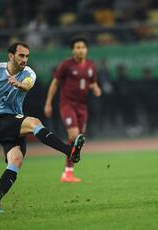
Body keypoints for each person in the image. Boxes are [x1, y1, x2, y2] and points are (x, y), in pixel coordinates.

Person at [0, 42, 85, 213]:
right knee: (34, 122)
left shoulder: (29, 73)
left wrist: (20, 85)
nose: (24, 59)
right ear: (11, 56)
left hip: (13, 123)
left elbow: (28, 84)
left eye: (27, 56)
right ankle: (69, 151)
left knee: (16, 160)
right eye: (21, 55)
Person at [44, 37, 101, 183]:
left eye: (83, 47)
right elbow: (55, 83)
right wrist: (48, 103)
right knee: (75, 136)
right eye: (77, 47)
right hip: (67, 104)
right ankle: (67, 173)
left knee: (78, 140)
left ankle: (68, 172)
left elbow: (92, 83)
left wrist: (96, 88)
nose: (80, 49)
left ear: (86, 49)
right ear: (72, 50)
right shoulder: (66, 65)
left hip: (82, 106)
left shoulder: (91, 65)